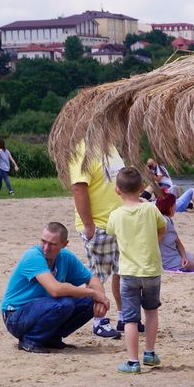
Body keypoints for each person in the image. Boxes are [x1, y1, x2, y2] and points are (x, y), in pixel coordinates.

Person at [1, 222, 112, 353]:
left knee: (88, 303)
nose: (46, 248)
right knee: (65, 303)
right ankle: (30, 340)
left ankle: (50, 339)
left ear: (64, 244)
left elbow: (93, 279)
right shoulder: (33, 256)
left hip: (41, 309)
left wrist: (99, 300)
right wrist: (93, 293)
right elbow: (55, 290)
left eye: (52, 244)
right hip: (14, 316)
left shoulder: (65, 256)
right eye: (43, 241)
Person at [106, 166, 167, 374]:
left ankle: (132, 361)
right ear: (142, 188)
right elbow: (163, 228)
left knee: (130, 318)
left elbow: (111, 231)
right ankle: (149, 352)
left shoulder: (116, 215)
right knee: (151, 312)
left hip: (129, 272)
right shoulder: (150, 209)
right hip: (151, 270)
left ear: (117, 190)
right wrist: (154, 242)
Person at [69, 143, 126, 339]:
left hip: (119, 222)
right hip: (99, 224)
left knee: (122, 271)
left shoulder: (111, 148)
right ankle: (99, 321)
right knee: (97, 275)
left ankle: (123, 316)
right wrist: (89, 226)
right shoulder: (83, 150)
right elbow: (78, 187)